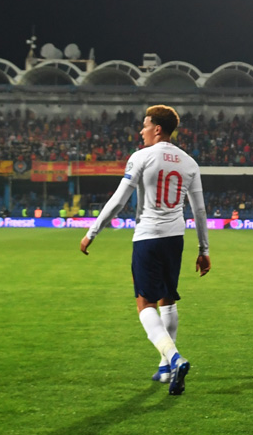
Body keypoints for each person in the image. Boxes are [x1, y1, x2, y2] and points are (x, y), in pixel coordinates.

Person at [80, 105, 211, 397]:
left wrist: (92, 231)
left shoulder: (141, 157)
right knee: (168, 298)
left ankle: (175, 358)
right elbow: (199, 210)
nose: (141, 130)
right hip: (175, 237)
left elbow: (118, 200)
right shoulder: (189, 162)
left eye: (145, 125)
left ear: (158, 129)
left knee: (144, 304)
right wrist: (204, 249)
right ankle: (165, 367)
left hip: (148, 237)